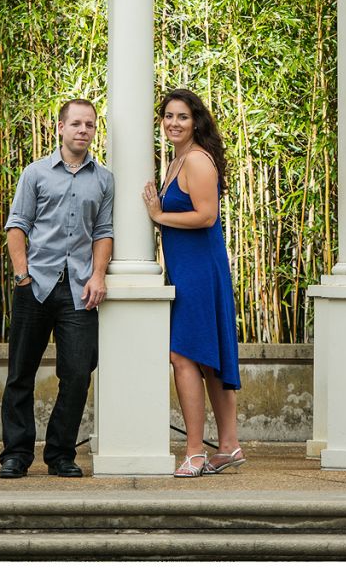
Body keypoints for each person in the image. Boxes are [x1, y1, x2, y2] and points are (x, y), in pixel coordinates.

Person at [0, 99, 114, 479]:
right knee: (21, 373)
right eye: (77, 124)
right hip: (36, 284)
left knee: (78, 373)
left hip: (80, 289)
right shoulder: (35, 174)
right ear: (60, 128)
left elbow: (103, 232)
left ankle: (61, 454)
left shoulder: (104, 179)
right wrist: (22, 275)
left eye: (90, 125)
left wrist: (98, 275)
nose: (84, 130)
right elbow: (17, 224)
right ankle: (15, 454)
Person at [142, 88, 244, 478]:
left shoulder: (197, 159)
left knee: (184, 356)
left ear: (196, 121)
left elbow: (205, 216)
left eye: (182, 116)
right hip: (188, 268)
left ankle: (196, 451)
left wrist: (158, 215)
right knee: (207, 357)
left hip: (200, 269)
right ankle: (230, 446)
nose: (173, 123)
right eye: (168, 116)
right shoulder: (177, 159)